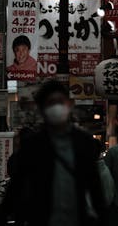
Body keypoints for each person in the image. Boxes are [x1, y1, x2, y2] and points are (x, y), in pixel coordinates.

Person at [11, 79, 107, 226]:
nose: (56, 107)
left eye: (60, 101)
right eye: (51, 103)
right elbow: (17, 186)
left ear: (69, 104)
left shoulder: (84, 142)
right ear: (42, 109)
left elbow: (95, 187)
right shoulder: (33, 145)